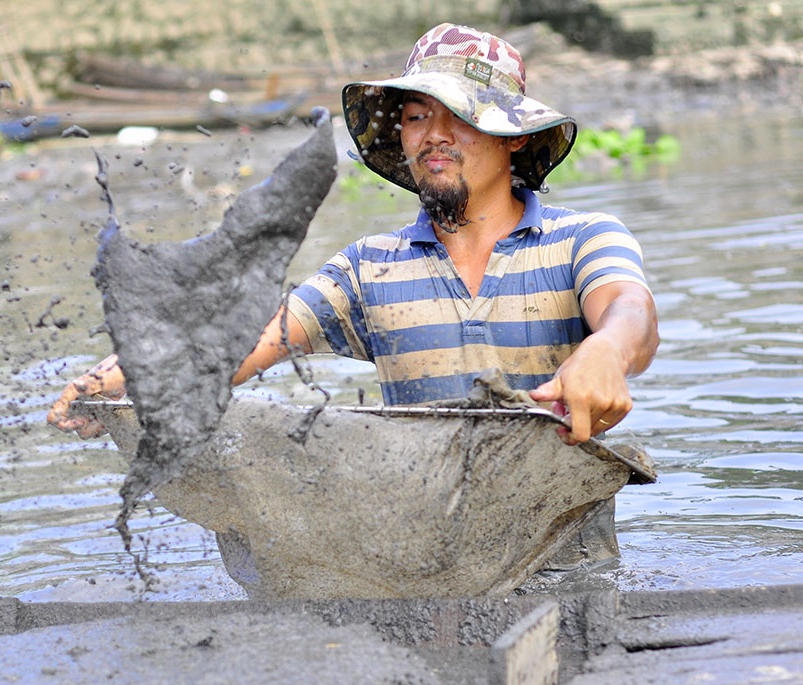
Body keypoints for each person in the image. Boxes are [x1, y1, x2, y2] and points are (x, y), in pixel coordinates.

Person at [49, 22, 658, 447]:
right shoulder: (369, 269)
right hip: (418, 561)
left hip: (567, 563)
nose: (434, 134)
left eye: (462, 116)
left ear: (514, 136)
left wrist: (605, 352)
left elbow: (631, 314)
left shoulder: (581, 240)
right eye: (418, 116)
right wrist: (118, 379)